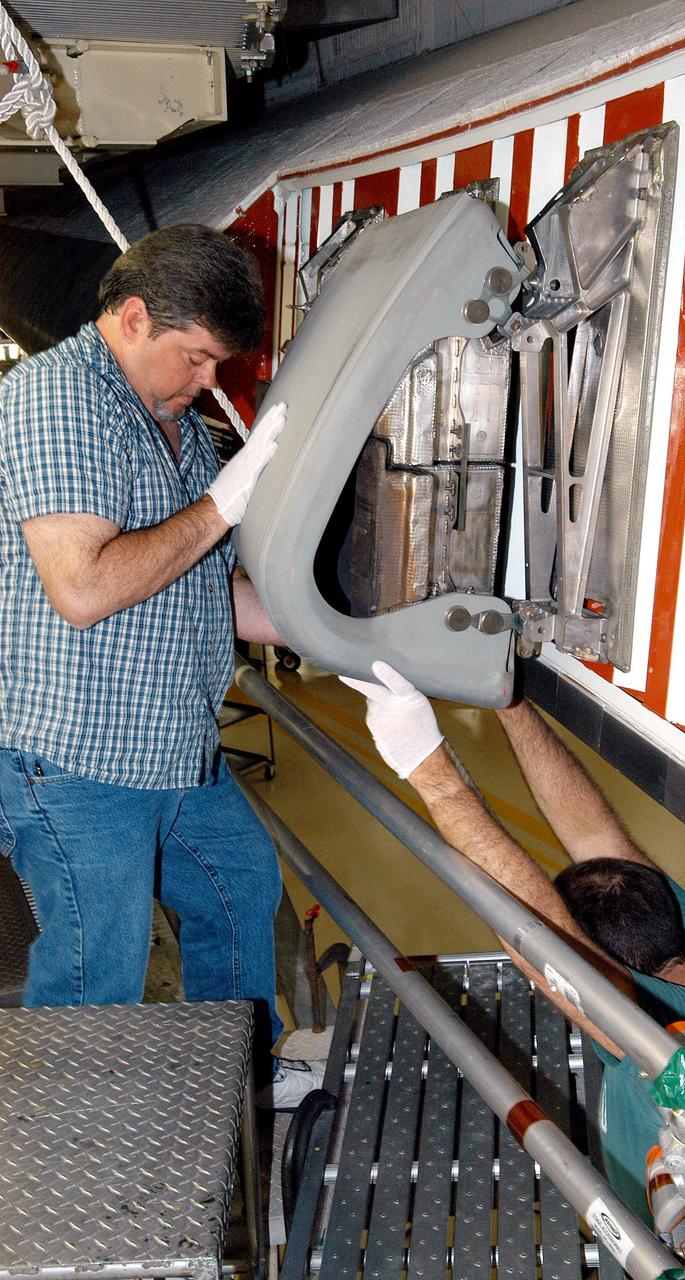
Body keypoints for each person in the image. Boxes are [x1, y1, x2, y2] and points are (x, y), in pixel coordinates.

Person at [342, 661, 685, 1277]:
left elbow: (557, 956)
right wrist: (506, 699)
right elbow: (600, 842)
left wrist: (429, 767)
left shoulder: (662, 1053)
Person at [0, 224, 321, 1108]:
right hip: (77, 758)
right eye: (198, 358)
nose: (210, 381)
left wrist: (346, 637)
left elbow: (200, 590)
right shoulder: (57, 398)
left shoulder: (168, 418)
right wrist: (224, 502)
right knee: (92, 967)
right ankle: (65, 1165)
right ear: (133, 317)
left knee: (240, 886)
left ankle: (231, 1089)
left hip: (173, 749)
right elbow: (86, 587)